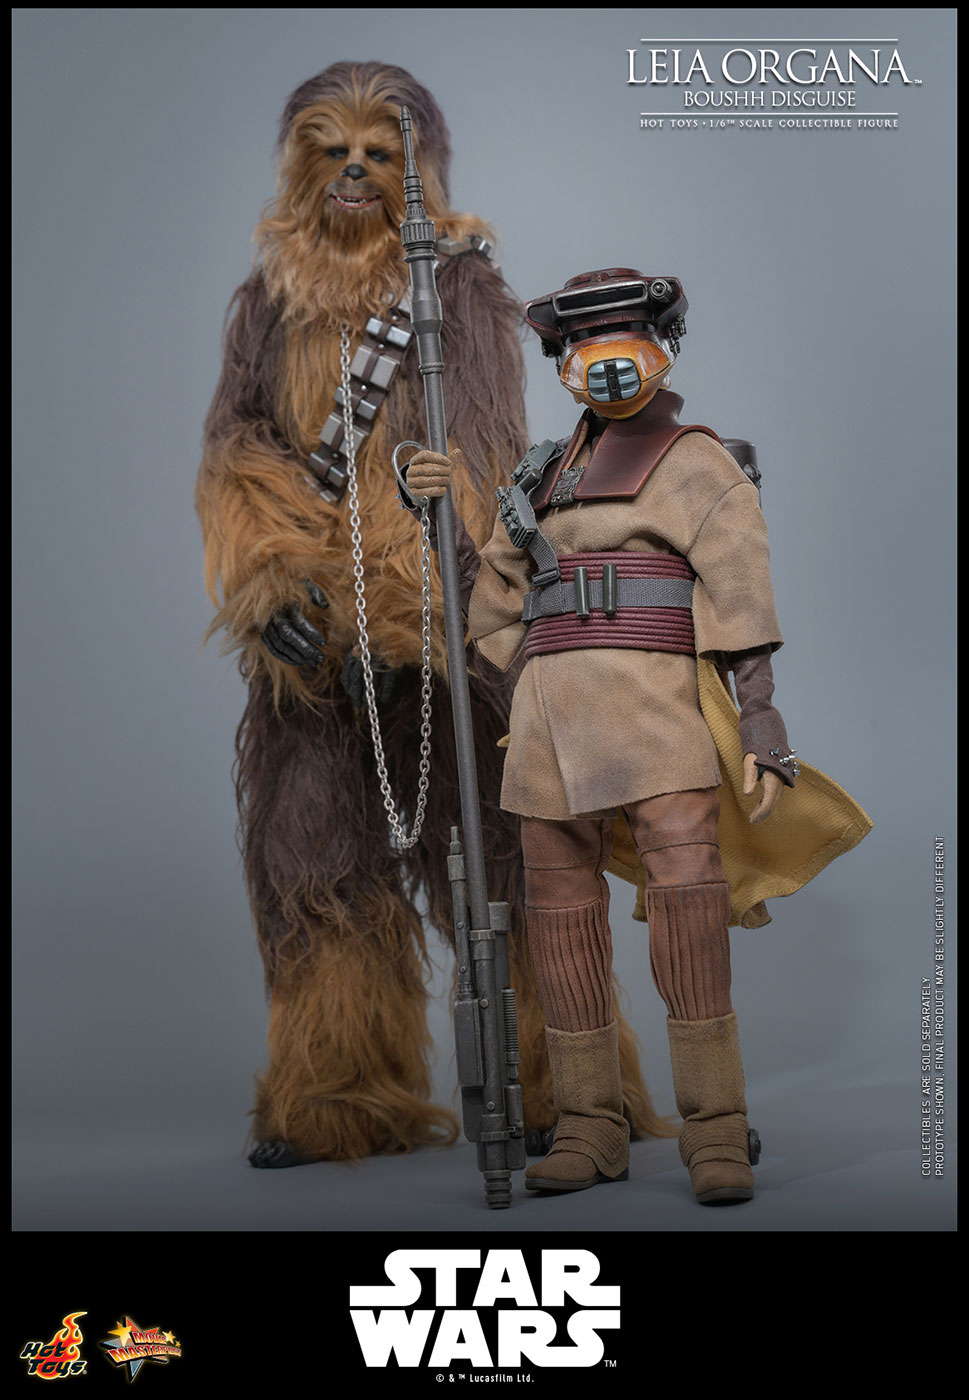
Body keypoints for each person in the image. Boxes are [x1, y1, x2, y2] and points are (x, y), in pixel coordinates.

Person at [196, 71, 663, 1168]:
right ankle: (340, 1094)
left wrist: (425, 608)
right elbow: (237, 452)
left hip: (450, 635)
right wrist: (271, 582)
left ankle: (573, 1089)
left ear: (422, 174)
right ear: (297, 168)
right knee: (313, 869)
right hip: (316, 651)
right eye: (331, 150)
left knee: (521, 867)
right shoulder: (265, 308)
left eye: (379, 152)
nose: (355, 170)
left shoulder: (458, 293)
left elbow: (484, 463)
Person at [404, 266, 870, 1203]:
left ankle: (715, 1126)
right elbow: (489, 608)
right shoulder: (536, 474)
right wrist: (437, 517)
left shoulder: (698, 463)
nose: (605, 355)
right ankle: (589, 1127)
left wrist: (760, 716)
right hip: (548, 725)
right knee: (558, 921)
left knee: (689, 914)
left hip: (658, 714)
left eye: (625, 331)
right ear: (561, 361)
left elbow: (741, 597)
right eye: (583, 340)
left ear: (662, 346)